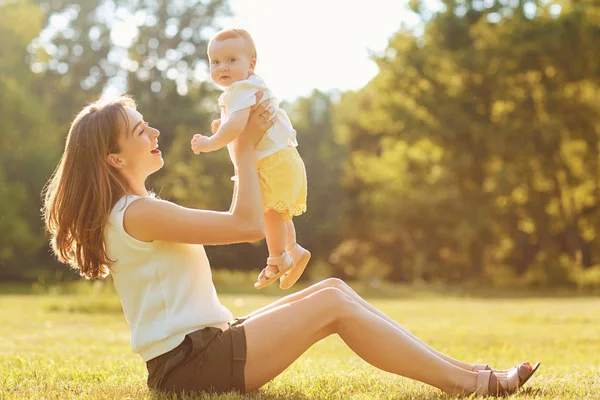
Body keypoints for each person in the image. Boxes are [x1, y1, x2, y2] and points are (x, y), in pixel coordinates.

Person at [42, 95, 540, 397]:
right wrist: (244, 148)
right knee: (331, 303)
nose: (153, 132)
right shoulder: (139, 213)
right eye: (138, 131)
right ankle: (472, 384)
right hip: (192, 365)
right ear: (113, 157)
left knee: (335, 290)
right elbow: (246, 224)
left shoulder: (135, 209)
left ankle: (470, 374)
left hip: (203, 350)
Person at [191, 28, 310, 290]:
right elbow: (238, 124)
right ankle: (293, 250)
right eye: (216, 62)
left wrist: (210, 142)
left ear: (251, 64)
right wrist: (223, 126)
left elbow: (235, 127)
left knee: (270, 214)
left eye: (232, 60)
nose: (223, 67)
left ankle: (277, 259)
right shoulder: (247, 88)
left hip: (272, 162)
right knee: (277, 210)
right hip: (280, 159)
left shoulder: (242, 89)